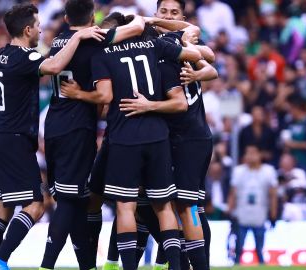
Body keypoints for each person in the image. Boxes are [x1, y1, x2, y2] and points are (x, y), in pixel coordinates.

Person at [61, 15, 203, 269]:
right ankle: (175, 265)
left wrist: (78, 94)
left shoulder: (102, 56)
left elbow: (105, 98)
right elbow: (183, 93)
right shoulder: (155, 47)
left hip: (125, 137)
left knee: (125, 207)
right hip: (159, 136)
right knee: (164, 208)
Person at [0, 4, 106, 270]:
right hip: (15, 140)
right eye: (37, 25)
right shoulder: (25, 58)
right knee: (36, 206)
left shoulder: (0, 56)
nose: (40, 29)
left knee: (2, 209)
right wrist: (78, 36)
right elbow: (55, 64)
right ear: (27, 30)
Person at [40, 1, 145, 269]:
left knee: (74, 198)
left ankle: (88, 266)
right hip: (76, 128)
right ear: (92, 17)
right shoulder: (94, 44)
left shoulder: (58, 41)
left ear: (65, 17)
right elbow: (105, 95)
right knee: (68, 200)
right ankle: (46, 265)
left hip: (53, 126)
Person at [119, 1, 218, 269]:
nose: (168, 16)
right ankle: (170, 261)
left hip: (189, 136)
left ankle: (195, 264)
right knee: (160, 204)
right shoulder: (157, 45)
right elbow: (209, 61)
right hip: (168, 137)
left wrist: (198, 72)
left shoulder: (176, 44)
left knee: (189, 208)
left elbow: (210, 61)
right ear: (155, 13)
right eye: (164, 12)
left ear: (181, 17)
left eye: (174, 13)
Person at [227, 144, 278, 265]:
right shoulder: (238, 171)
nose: (250, 156)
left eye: (253, 153)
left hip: (260, 216)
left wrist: (273, 214)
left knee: (260, 249)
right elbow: (232, 193)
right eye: (247, 153)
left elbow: (273, 195)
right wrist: (229, 212)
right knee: (238, 248)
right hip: (241, 215)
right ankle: (236, 265)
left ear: (260, 155)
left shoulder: (268, 171)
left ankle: (261, 265)